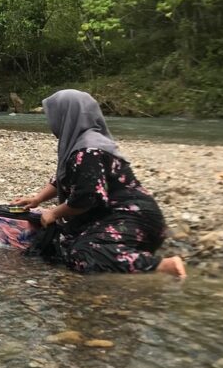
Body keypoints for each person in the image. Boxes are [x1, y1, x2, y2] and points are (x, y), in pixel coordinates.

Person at [16, 89, 186, 277]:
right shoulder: (82, 143)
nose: (51, 123)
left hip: (135, 218)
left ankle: (162, 266)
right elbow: (65, 178)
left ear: (66, 116)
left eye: (53, 116)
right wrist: (37, 199)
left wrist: (54, 213)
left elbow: (87, 197)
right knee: (62, 244)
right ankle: (129, 257)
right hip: (118, 218)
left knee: (82, 255)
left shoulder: (89, 149)